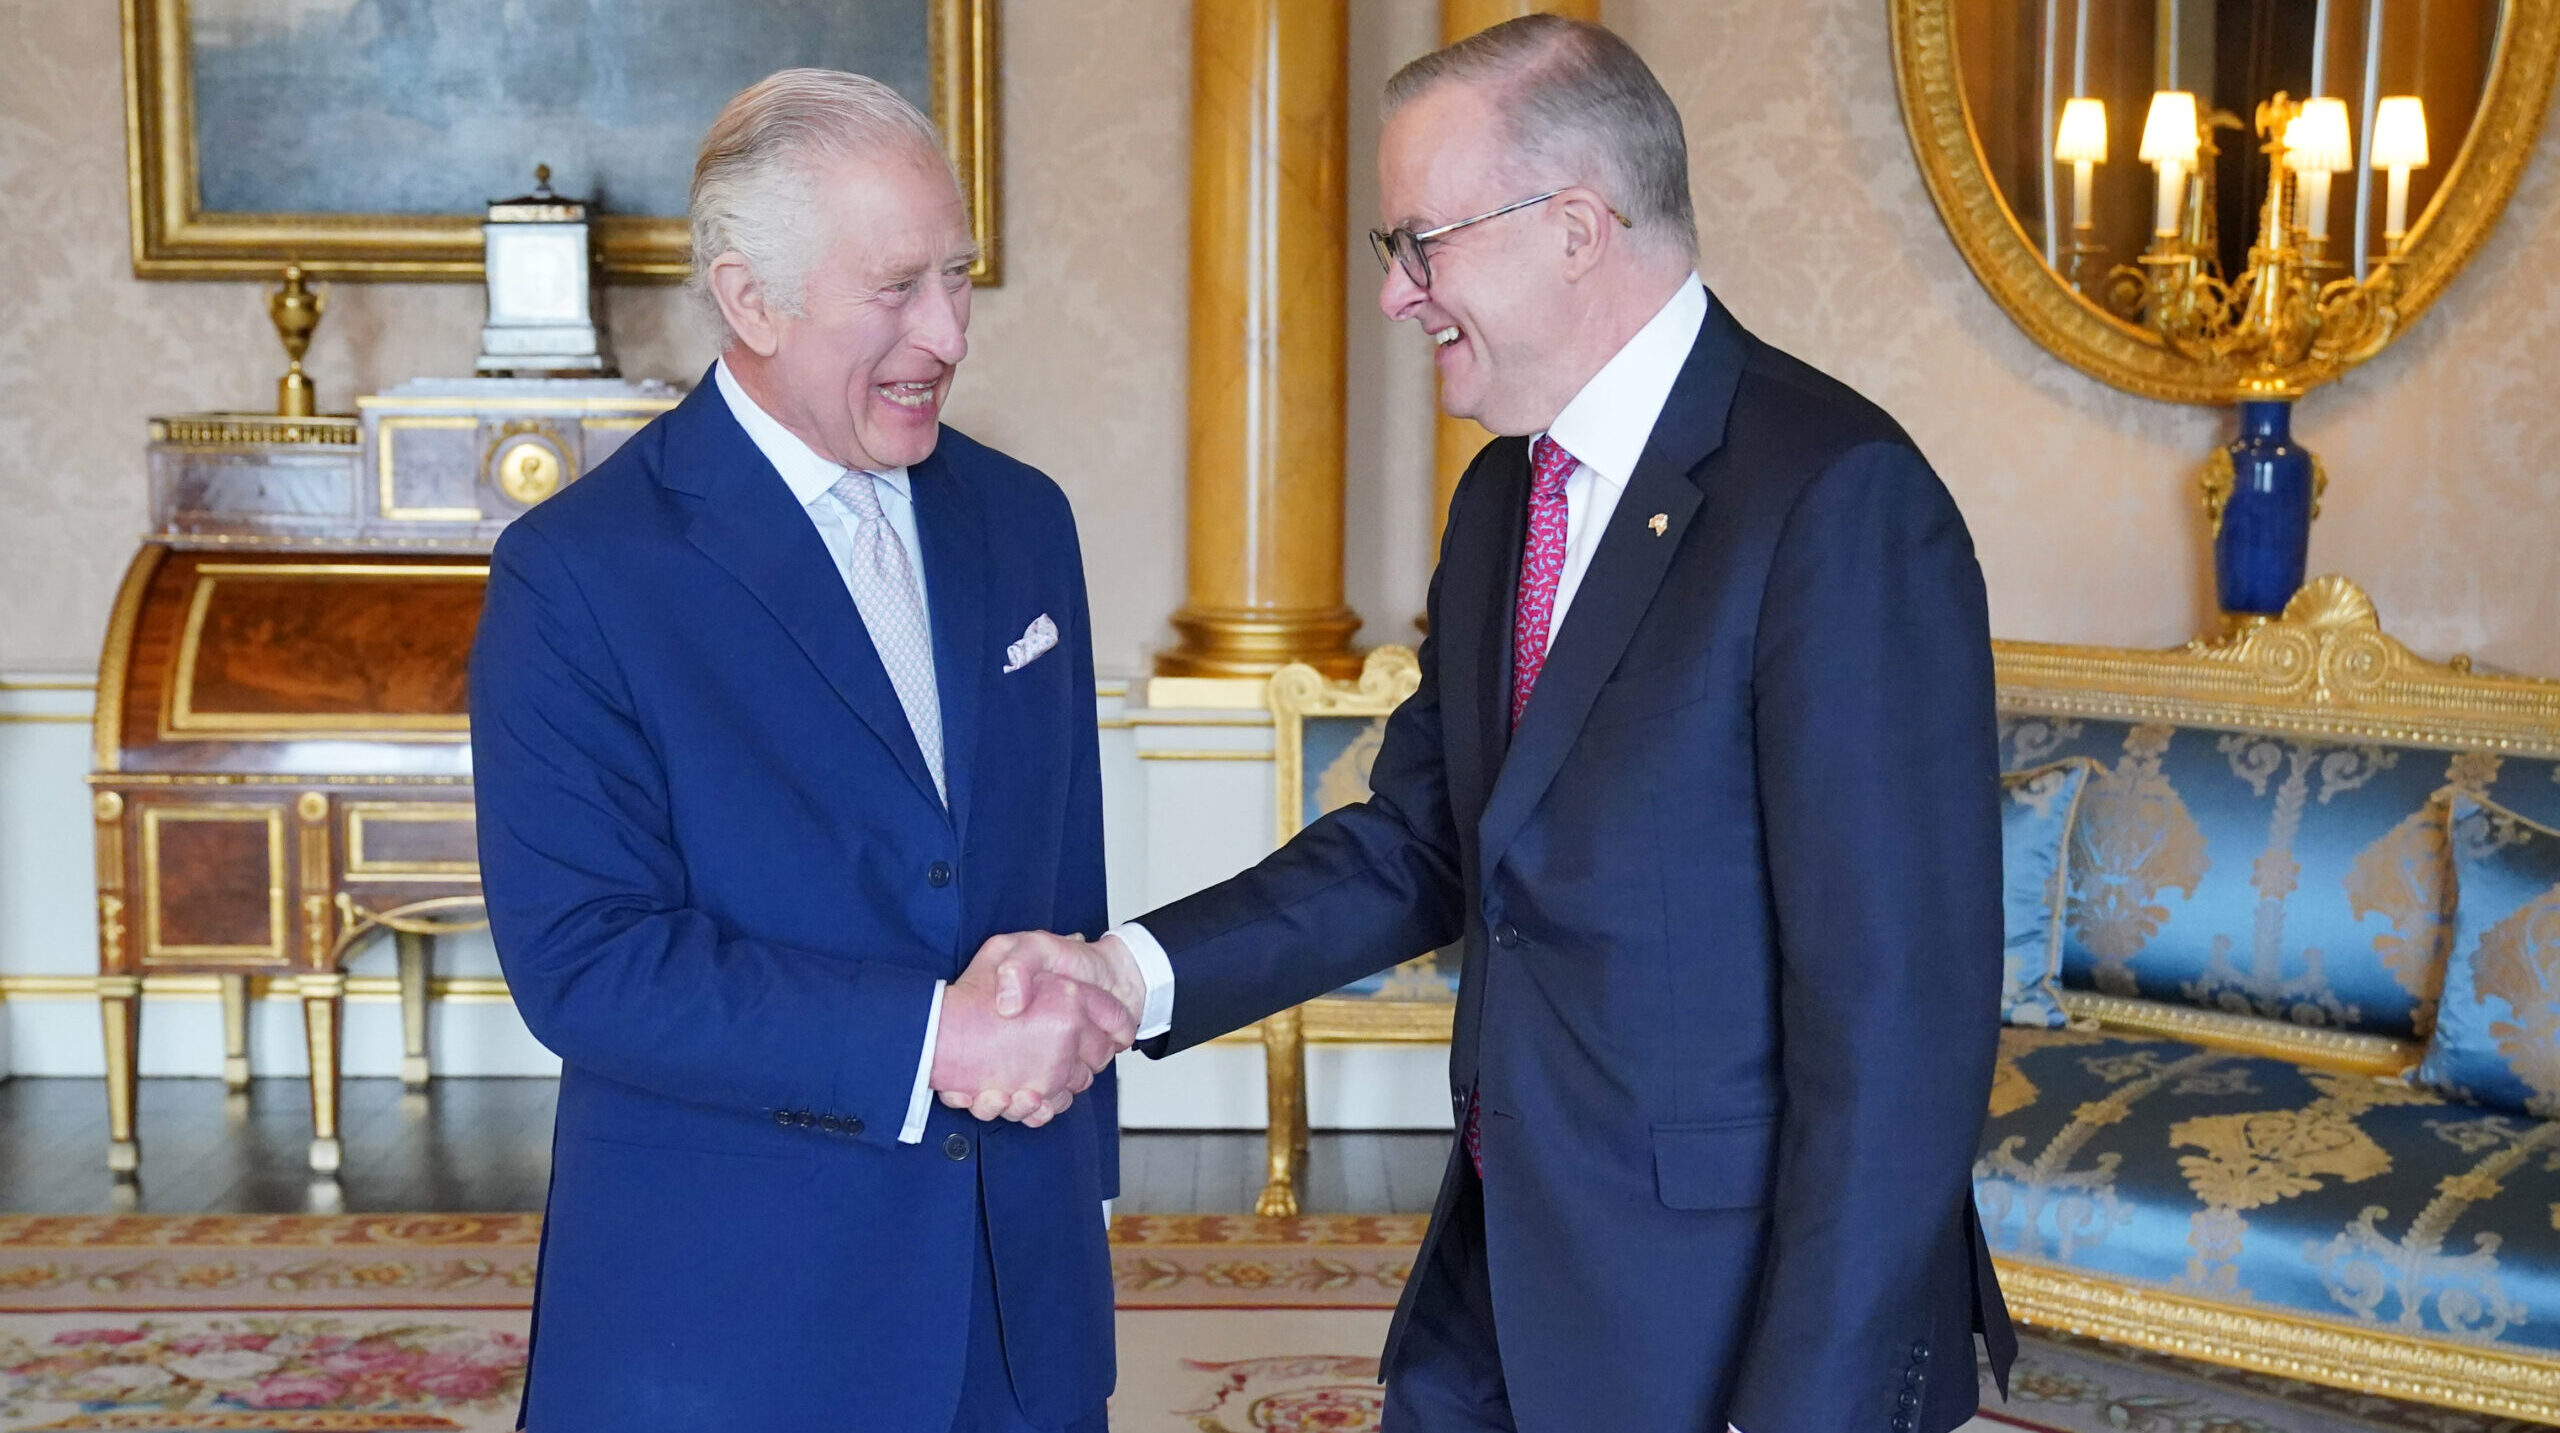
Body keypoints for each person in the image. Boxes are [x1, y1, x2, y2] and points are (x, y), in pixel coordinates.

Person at [962, 18, 2016, 1433]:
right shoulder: (1506, 496)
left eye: (1420, 244)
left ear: (1575, 227)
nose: (1397, 295)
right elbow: (1421, 842)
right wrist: (1124, 973)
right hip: (1503, 1262)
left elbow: (1896, 1028)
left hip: (1728, 1318)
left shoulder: (1834, 499)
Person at [470, 69, 1131, 1433]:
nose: (947, 332)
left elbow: (1063, 880)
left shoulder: (1025, 521)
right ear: (750, 297)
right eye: (896, 288)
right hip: (727, 1321)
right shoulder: (579, 573)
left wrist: (1071, 1170)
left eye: (959, 276)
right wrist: (929, 1035)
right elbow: (587, 961)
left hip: (1018, 1300)